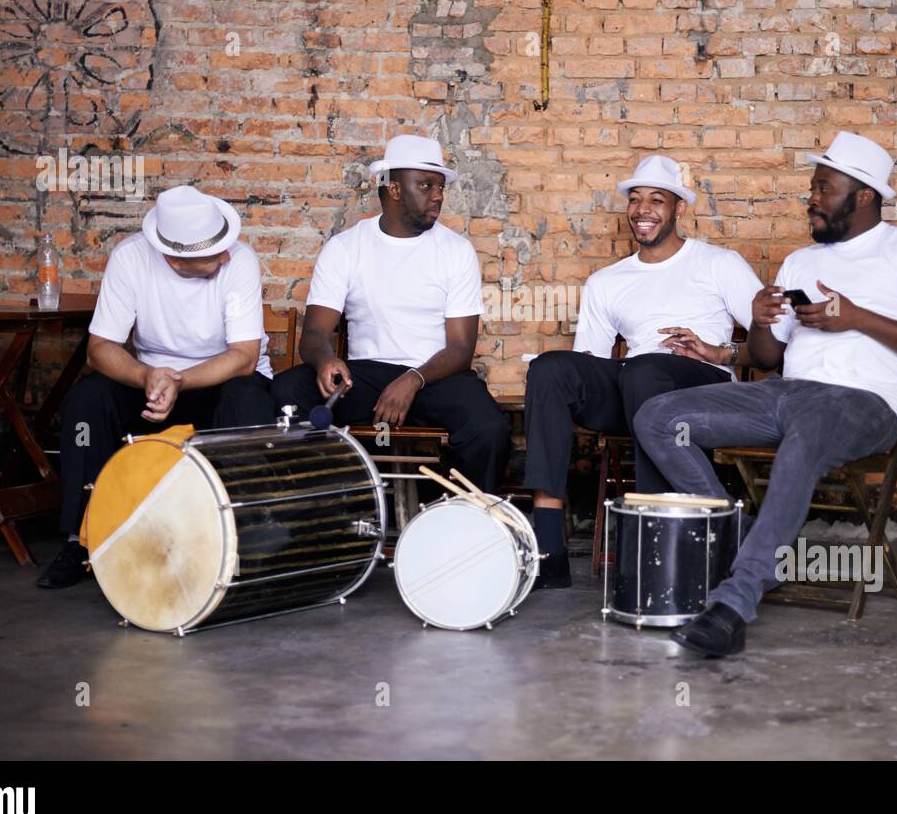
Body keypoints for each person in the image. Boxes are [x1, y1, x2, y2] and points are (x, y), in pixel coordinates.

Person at [633, 132, 897, 656]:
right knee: (658, 417)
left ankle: (734, 603)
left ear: (864, 196)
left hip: (861, 402)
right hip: (785, 392)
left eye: (823, 189)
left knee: (802, 440)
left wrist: (855, 317)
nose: (811, 198)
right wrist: (760, 321)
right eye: (812, 188)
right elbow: (765, 359)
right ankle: (742, 539)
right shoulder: (800, 262)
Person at [522, 154, 762, 588]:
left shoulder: (719, 264)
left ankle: (654, 550)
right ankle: (548, 551)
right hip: (638, 383)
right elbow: (592, 361)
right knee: (550, 368)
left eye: (656, 200)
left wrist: (716, 352)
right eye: (635, 200)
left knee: (646, 371)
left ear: (678, 209)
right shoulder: (607, 281)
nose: (643, 210)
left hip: (702, 389)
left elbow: (772, 342)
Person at [38, 185, 276, 589]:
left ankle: (248, 540)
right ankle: (83, 540)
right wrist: (148, 378)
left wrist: (179, 381)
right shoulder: (130, 259)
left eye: (223, 244)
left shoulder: (240, 261)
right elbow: (99, 350)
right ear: (174, 259)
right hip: (152, 387)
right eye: (212, 253)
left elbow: (243, 357)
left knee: (249, 397)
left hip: (218, 382)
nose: (225, 254)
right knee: (87, 399)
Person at [270, 134, 510, 495]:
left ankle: (466, 527)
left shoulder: (456, 251)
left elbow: (461, 348)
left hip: (434, 377)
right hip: (363, 378)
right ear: (394, 189)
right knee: (286, 391)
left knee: (490, 427)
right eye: (426, 185)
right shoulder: (346, 248)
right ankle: (332, 511)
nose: (438, 195)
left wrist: (413, 379)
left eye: (440, 186)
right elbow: (316, 334)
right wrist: (325, 362)